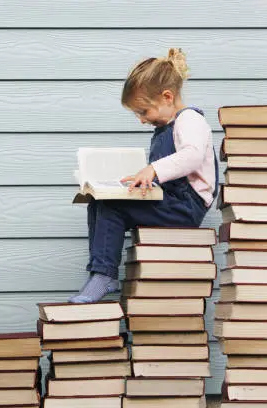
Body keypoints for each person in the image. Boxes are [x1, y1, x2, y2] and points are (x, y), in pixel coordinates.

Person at [68, 48, 219, 303]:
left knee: (112, 208)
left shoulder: (190, 121)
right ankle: (99, 272)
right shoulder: (167, 125)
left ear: (167, 97)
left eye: (143, 112)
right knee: (99, 202)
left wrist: (154, 170)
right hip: (169, 200)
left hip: (186, 207)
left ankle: (105, 276)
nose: (141, 120)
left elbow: (192, 156)